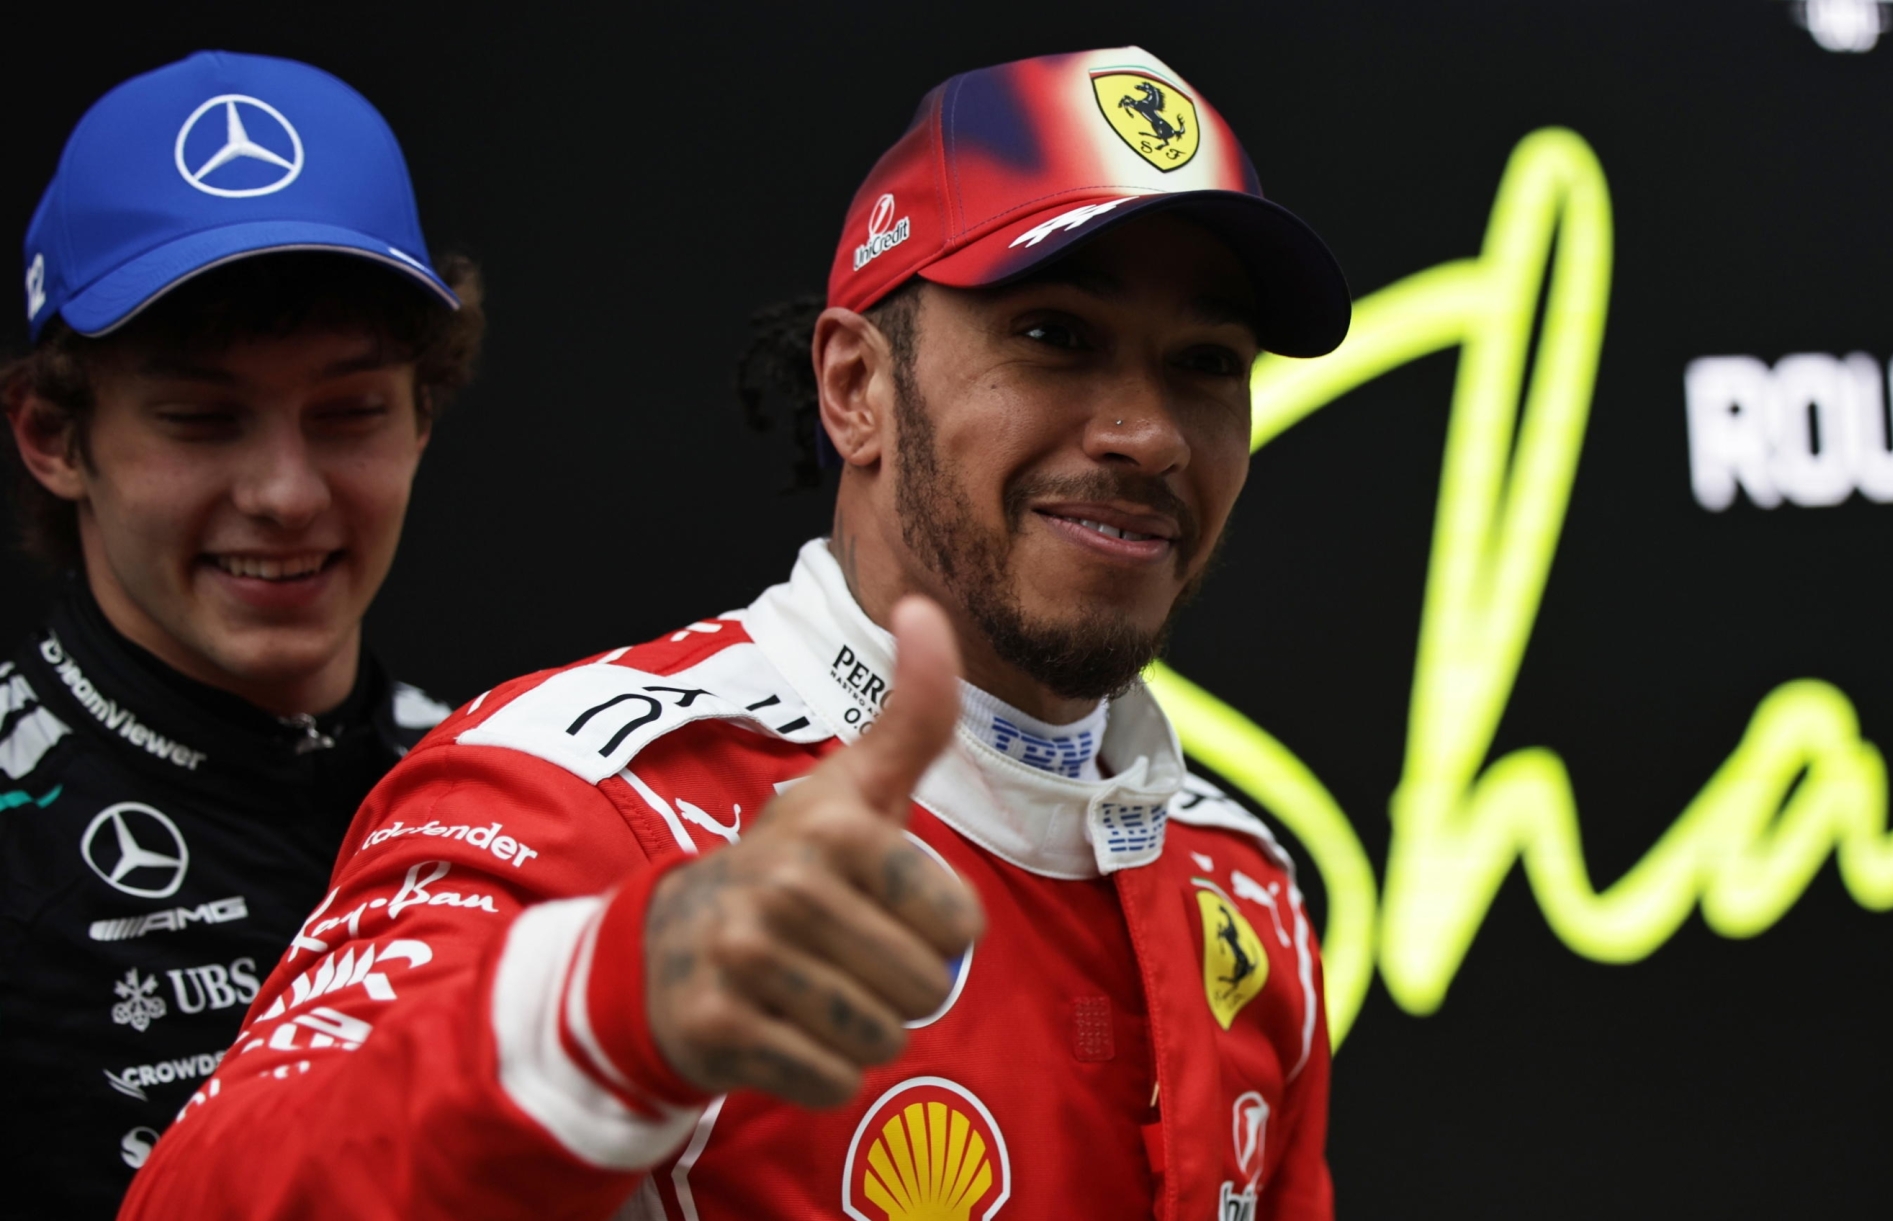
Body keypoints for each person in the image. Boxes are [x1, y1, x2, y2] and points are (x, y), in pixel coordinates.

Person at [121, 47, 1346, 1220]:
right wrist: (610, 1002)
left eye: (1205, 363)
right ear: (856, 388)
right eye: (1055, 336)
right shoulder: (583, 799)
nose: (1150, 435)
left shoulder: (1241, 880)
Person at [0, 51, 482, 1216]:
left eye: (350, 412)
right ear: (53, 438)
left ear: (423, 418)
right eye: (203, 420)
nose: (286, 493)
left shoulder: (507, 787)